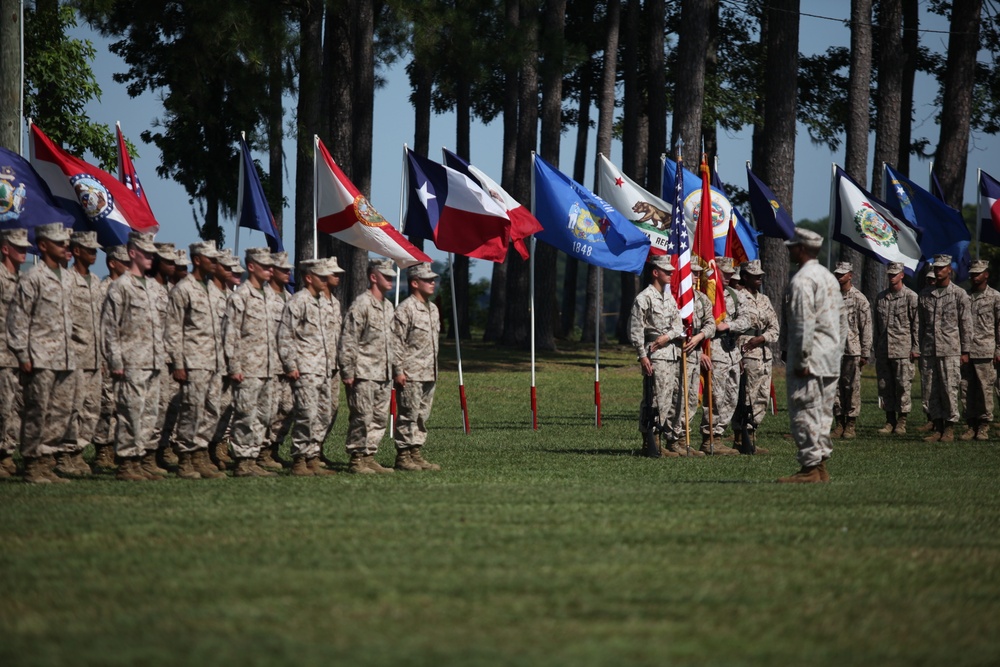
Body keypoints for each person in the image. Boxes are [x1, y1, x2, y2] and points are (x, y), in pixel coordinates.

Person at [6, 222, 75, 484]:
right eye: (59, 243)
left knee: (60, 412)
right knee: (37, 411)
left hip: (65, 357)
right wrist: (23, 355)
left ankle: (47, 462)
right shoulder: (32, 277)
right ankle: (33, 464)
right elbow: (17, 319)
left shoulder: (68, 279)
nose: (64, 247)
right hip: (40, 357)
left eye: (65, 243)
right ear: (43, 245)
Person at [779, 228, 845, 483]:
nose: (789, 250)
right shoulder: (828, 277)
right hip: (829, 357)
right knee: (824, 413)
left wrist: (803, 359)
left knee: (805, 410)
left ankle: (809, 468)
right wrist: (836, 352)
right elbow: (842, 320)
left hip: (811, 358)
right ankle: (821, 467)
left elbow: (804, 322)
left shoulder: (802, 280)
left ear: (802, 249)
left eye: (792, 246)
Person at [101, 232, 168, 481]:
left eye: (152, 253)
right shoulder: (121, 287)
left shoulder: (153, 287)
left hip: (153, 361)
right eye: (145, 252)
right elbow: (110, 328)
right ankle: (126, 463)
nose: (150, 256)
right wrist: (115, 361)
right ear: (132, 253)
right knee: (130, 413)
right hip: (130, 362)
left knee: (149, 413)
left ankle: (139, 459)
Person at [165, 240, 227, 479]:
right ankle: (186, 458)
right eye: (211, 259)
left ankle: (200, 454)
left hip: (213, 362)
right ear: (198, 260)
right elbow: (173, 329)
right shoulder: (184, 289)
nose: (215, 264)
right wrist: (178, 364)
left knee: (211, 410)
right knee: (192, 409)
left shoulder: (213, 290)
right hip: (193, 362)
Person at [276, 258, 339, 476]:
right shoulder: (298, 301)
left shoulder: (322, 302)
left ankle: (313, 457)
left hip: (323, 369)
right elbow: (285, 335)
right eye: (321, 277)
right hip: (305, 369)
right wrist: (290, 365)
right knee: (306, 414)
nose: (325, 280)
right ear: (309, 278)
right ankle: (299, 460)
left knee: (322, 414)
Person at [223, 248, 280, 477]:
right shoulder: (240, 297)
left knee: (264, 415)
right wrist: (234, 366)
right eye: (264, 266)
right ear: (251, 267)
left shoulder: (271, 298)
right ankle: (242, 461)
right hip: (247, 368)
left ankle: (253, 456)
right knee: (246, 414)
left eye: (270, 266)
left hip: (267, 368)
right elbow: (231, 334)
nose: (270, 270)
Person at [339, 259, 398, 473]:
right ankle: (356, 458)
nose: (391, 279)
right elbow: (349, 339)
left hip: (383, 372)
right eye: (386, 276)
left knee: (379, 417)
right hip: (363, 372)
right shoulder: (361, 304)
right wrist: (347, 370)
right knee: (361, 416)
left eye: (392, 276)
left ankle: (369, 455)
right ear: (373, 277)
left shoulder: (388, 306)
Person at [628, 256, 687, 458]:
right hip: (654, 354)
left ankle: (660, 439)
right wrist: (642, 356)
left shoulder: (669, 298)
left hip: (670, 352)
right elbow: (635, 330)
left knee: (668, 398)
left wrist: (667, 337)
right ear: (655, 272)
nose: (671, 274)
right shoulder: (644, 298)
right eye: (666, 271)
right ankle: (650, 441)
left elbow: (679, 326)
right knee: (654, 398)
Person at [391, 262, 442, 471]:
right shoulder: (405, 309)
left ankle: (416, 452)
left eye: (433, 280)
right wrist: (398, 370)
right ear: (414, 283)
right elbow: (396, 342)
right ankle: (403, 455)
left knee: (422, 415)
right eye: (427, 280)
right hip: (410, 372)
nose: (432, 283)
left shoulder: (433, 309)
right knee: (408, 415)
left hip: (429, 371)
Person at [62, 231, 104, 477]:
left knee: (91, 409)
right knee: (71, 408)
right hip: (74, 356)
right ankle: (66, 455)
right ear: (76, 251)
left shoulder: (96, 282)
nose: (94, 254)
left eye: (95, 250)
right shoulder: (66, 280)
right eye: (89, 250)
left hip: (95, 357)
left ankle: (78, 453)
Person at [918, 254, 972, 442]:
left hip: (950, 350)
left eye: (942, 267)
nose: (938, 271)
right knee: (931, 390)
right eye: (936, 267)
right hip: (929, 350)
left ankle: (949, 429)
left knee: (949, 389)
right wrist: (919, 348)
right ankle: (938, 427)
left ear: (949, 269)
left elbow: (966, 324)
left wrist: (965, 351)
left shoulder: (959, 294)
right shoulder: (925, 294)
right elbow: (921, 325)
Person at [700, 256, 750, 454]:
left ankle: (719, 435)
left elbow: (747, 319)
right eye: (725, 273)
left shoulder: (735, 295)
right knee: (715, 397)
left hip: (732, 353)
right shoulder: (706, 294)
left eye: (731, 273)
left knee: (731, 397)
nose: (730, 276)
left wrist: (728, 325)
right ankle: (709, 438)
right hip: (715, 352)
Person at [91, 245, 131, 471]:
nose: (127, 266)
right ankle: (103, 450)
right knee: (107, 405)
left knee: (122, 405)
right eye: (123, 262)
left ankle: (117, 447)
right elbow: (99, 326)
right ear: (112, 263)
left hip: (127, 358)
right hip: (107, 357)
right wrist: (103, 357)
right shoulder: (103, 288)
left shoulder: (127, 289)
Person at [669, 262, 715, 456]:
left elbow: (711, 323)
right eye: (693, 272)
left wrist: (699, 336)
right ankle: (673, 439)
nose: (696, 276)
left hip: (695, 352)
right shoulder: (675, 298)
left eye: (698, 273)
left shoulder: (702, 299)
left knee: (691, 398)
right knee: (677, 396)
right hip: (679, 352)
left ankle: (683, 438)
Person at [737, 259, 780, 448]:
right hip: (745, 351)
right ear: (745, 277)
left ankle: (753, 433)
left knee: (762, 395)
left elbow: (775, 328)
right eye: (755, 276)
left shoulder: (764, 299)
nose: (759, 279)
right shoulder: (737, 297)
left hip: (763, 353)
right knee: (746, 395)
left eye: (760, 276)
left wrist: (761, 338)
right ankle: (741, 435)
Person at [874, 261, 919, 435]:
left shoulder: (910, 296)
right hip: (884, 349)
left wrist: (916, 348)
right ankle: (889, 420)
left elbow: (916, 324)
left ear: (902, 275)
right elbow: (877, 326)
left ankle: (902, 421)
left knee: (902, 385)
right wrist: (876, 348)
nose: (892, 277)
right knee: (885, 386)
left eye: (895, 274)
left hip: (903, 349)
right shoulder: (881, 297)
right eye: (890, 274)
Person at [0, 228, 29, 478]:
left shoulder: (20, 279)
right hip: (2, 354)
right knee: (2, 407)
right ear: (5, 249)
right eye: (19, 247)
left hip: (17, 354)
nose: (25, 251)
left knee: (14, 408)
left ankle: (7, 456)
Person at [831, 262, 872, 438]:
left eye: (842, 274)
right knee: (834, 389)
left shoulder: (859, 299)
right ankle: (839, 423)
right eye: (837, 274)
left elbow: (866, 327)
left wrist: (865, 352)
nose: (839, 277)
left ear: (850, 275)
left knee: (852, 387)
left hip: (852, 349)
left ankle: (851, 424)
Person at [262, 250, 294, 471]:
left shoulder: (291, 299)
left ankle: (273, 448)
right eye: (283, 269)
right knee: (266, 409)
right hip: (267, 364)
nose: (288, 272)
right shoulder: (262, 297)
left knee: (287, 409)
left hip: (288, 366)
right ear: (271, 271)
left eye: (288, 269)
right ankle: (260, 452)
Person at [961, 259, 1000, 440]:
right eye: (972, 273)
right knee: (966, 388)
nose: (974, 277)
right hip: (967, 351)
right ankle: (970, 425)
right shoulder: (965, 297)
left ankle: (984, 425)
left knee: (985, 389)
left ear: (986, 274)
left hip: (986, 350)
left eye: (978, 273)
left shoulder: (995, 297)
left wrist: (998, 350)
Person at [916, 268, 937, 432]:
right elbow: (919, 325)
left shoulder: (955, 295)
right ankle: (930, 419)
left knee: (945, 386)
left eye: (933, 279)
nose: (931, 282)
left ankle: (944, 422)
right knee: (927, 385)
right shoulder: (922, 297)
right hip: (928, 348)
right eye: (929, 280)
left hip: (947, 348)